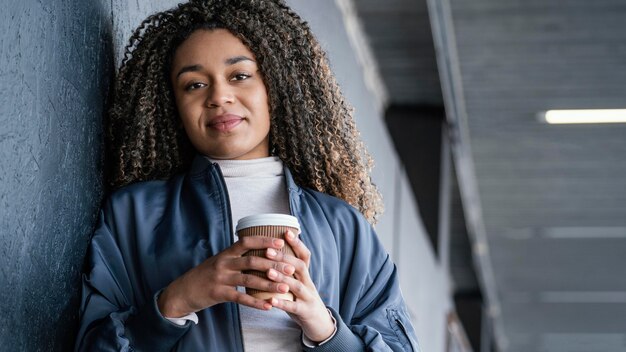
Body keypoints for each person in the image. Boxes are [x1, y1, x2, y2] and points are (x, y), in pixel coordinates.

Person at [75, 0, 420, 351]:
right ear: (172, 106)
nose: (219, 97)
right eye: (194, 85)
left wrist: (324, 327)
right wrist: (177, 301)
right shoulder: (131, 214)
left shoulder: (343, 226)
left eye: (239, 76)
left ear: (274, 85)